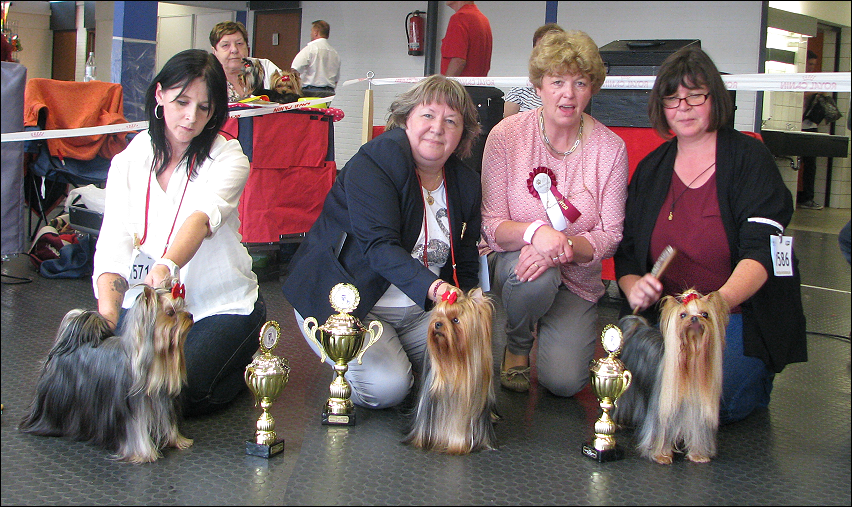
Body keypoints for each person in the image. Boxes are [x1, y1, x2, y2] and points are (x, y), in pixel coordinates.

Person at [614, 46, 807, 424]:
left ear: (714, 98)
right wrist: (634, 285)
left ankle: (754, 375)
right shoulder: (651, 169)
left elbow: (763, 251)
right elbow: (628, 251)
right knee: (629, 392)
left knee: (709, 402)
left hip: (732, 316)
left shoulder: (750, 160)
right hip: (669, 318)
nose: (683, 107)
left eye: (695, 95)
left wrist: (713, 308)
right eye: (672, 98)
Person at [282, 75, 482, 409]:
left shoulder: (466, 183)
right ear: (406, 119)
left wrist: (468, 306)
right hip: (354, 307)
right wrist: (436, 289)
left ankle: (400, 361)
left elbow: (466, 254)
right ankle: (351, 367)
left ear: (463, 133)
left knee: (466, 372)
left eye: (451, 121)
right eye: (428, 115)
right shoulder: (375, 162)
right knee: (388, 389)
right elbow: (379, 247)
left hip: (419, 312)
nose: (438, 128)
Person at [93, 49, 266, 416]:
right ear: (160, 95)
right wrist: (106, 320)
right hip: (150, 306)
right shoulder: (128, 160)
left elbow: (200, 220)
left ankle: (245, 363)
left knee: (176, 393)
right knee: (119, 381)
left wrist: (166, 265)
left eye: (204, 108)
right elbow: (113, 243)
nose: (191, 117)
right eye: (182, 102)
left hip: (218, 305)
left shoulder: (229, 157)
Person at [481, 30, 628, 396]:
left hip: (577, 275)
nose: (568, 94)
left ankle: (547, 327)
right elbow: (490, 225)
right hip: (516, 266)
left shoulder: (611, 148)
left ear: (592, 88)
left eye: (580, 83)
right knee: (536, 279)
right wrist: (536, 234)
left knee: (563, 383)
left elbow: (610, 236)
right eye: (557, 81)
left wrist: (561, 246)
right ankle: (518, 342)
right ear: (538, 86)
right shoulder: (506, 136)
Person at [209, 21, 285, 103]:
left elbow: (289, 94)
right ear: (214, 51)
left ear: (247, 47)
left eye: (239, 43)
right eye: (225, 45)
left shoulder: (264, 67)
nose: (234, 50)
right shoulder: (207, 76)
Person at [503, 23, 565, 118]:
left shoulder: (569, 90)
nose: (546, 54)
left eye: (552, 49)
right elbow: (507, 121)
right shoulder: (520, 87)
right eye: (540, 49)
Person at [799, 50, 824, 209]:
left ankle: (808, 196)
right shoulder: (799, 78)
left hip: (810, 126)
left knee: (810, 164)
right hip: (799, 125)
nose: (811, 68)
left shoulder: (815, 80)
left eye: (813, 65)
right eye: (809, 64)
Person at [291, 20, 341, 98]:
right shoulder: (335, 53)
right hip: (329, 92)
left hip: (310, 91)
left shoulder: (310, 49)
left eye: (311, 31)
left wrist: (295, 89)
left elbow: (295, 69)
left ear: (316, 32)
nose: (310, 34)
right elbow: (336, 79)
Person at [441, 1, 492, 77]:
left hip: (461, 83)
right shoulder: (483, 19)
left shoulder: (460, 18)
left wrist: (446, 84)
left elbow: (458, 61)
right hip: (478, 82)